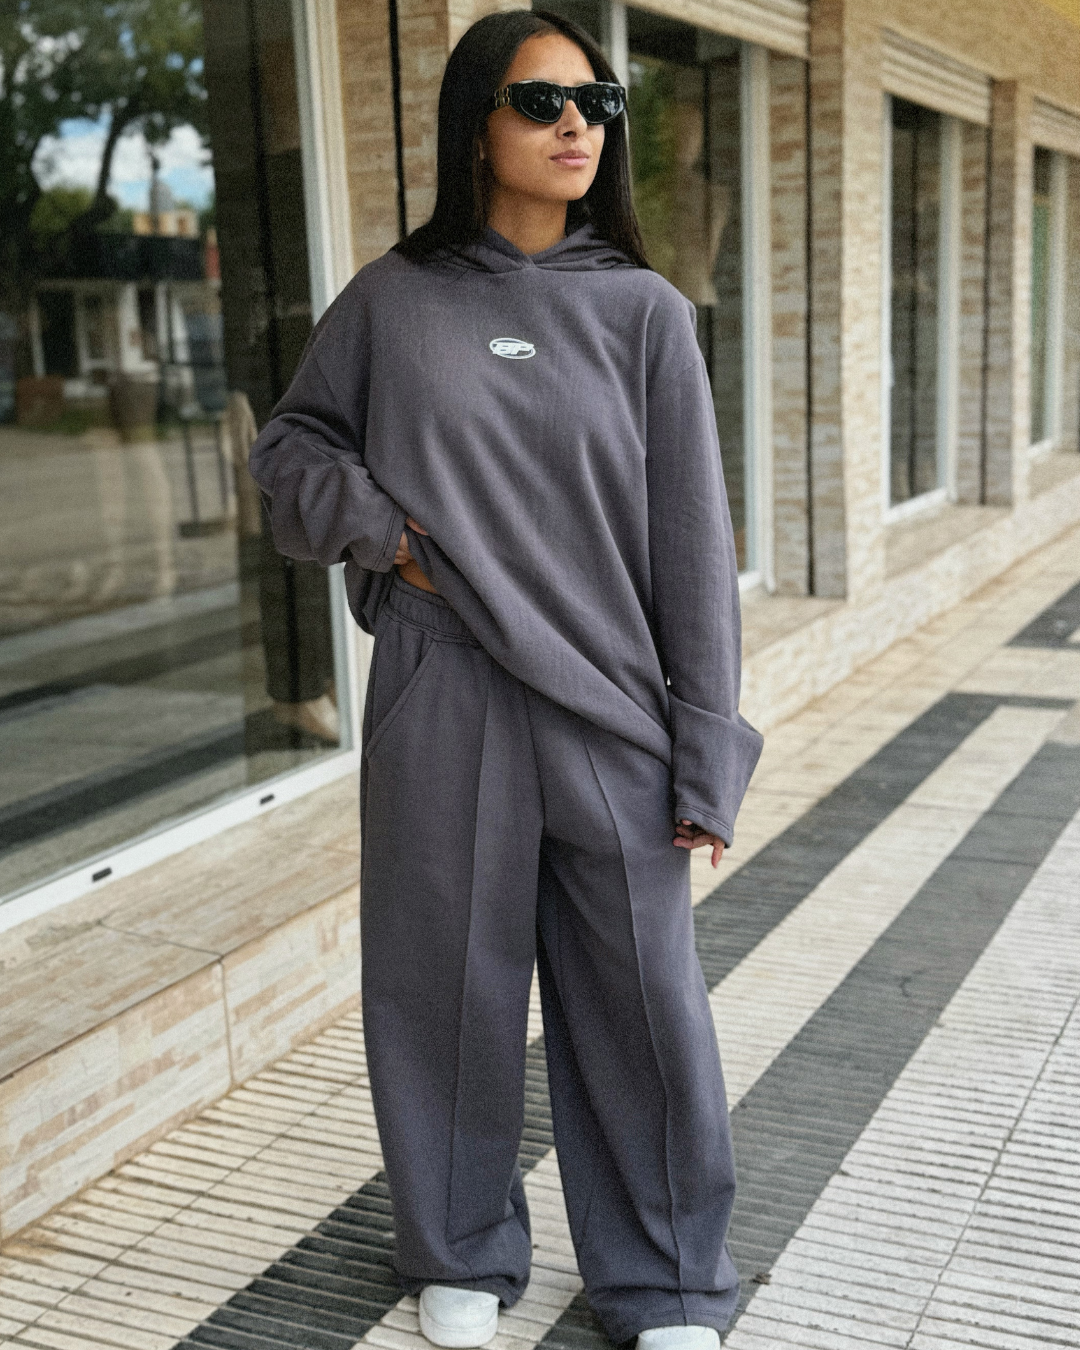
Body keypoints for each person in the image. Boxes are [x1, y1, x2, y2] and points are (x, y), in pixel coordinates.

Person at [249, 10, 763, 1350]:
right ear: (476, 124)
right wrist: (388, 535)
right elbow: (291, 452)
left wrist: (706, 747)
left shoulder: (646, 314)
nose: (576, 124)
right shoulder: (392, 301)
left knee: (645, 1005)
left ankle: (669, 1281)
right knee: (443, 987)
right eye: (541, 101)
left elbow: (693, 548)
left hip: (611, 706)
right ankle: (462, 1248)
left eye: (595, 101)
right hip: (445, 686)